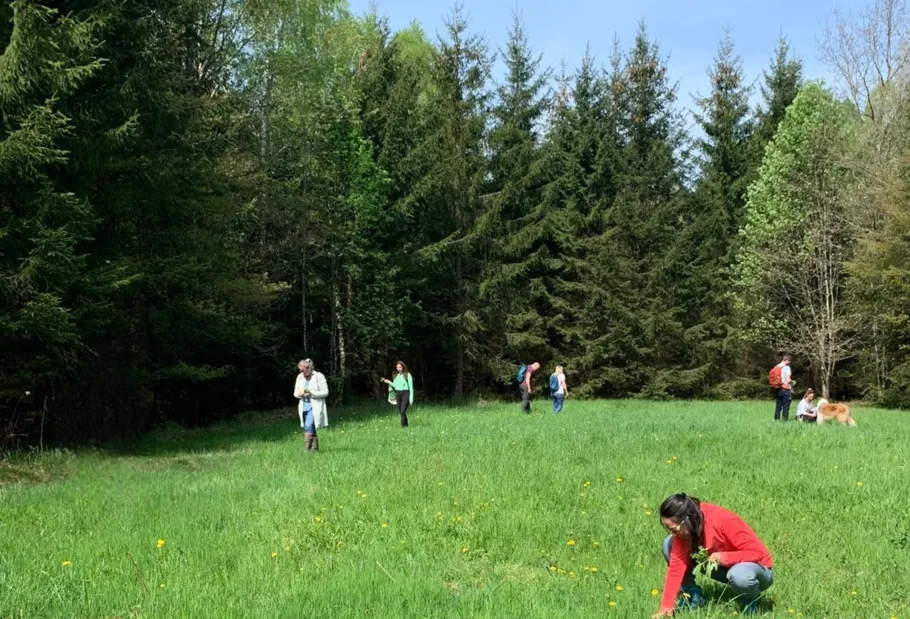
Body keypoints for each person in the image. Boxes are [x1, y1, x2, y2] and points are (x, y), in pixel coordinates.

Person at [653, 494, 773, 618]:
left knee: (739, 575)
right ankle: (692, 596)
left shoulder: (721, 519)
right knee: (669, 544)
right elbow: (675, 569)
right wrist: (666, 607)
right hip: (723, 567)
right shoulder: (686, 529)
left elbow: (757, 553)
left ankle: (749, 602)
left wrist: (724, 557)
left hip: (757, 570)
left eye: (674, 529)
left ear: (687, 520)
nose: (674, 534)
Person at [294, 359, 329, 452]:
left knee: (308, 425)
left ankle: (306, 449)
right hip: (303, 406)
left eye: (303, 370)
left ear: (308, 367)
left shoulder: (318, 376)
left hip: (315, 406)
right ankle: (314, 449)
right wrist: (299, 394)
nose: (302, 373)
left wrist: (311, 393)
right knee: (310, 427)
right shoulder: (300, 377)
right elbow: (295, 392)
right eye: (300, 371)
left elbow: (325, 392)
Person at [382, 361, 414, 427]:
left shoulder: (408, 375)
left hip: (406, 394)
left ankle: (403, 427)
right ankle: (406, 425)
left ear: (403, 367)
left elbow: (411, 388)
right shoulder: (396, 375)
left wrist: (411, 398)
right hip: (398, 394)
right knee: (401, 412)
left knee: (402, 411)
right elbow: (395, 385)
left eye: (400, 367)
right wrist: (389, 382)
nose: (398, 368)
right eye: (397, 367)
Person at [771, 354, 795, 422]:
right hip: (785, 389)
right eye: (789, 361)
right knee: (786, 407)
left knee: (778, 406)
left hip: (778, 388)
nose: (789, 363)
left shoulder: (776, 367)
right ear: (787, 360)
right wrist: (793, 382)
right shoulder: (786, 368)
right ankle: (785, 421)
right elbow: (788, 380)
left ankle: (776, 420)